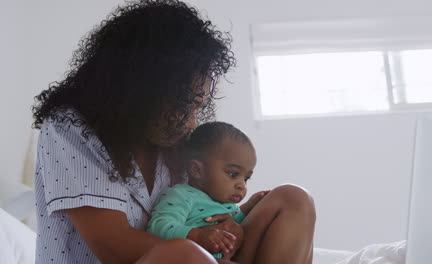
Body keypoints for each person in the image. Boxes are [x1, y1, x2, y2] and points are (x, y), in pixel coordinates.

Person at [32, 0, 316, 263]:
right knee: (183, 254)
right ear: (142, 88)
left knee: (293, 199)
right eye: (185, 106)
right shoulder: (69, 128)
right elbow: (113, 247)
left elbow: (200, 210)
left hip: (200, 255)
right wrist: (197, 243)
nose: (192, 123)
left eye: (198, 108)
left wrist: (232, 228)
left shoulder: (173, 142)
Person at [147, 121, 269, 260]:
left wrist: (248, 207)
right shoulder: (181, 195)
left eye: (246, 178)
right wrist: (197, 235)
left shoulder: (225, 203)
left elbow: (233, 226)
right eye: (233, 174)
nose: (241, 185)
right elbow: (159, 226)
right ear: (196, 170)